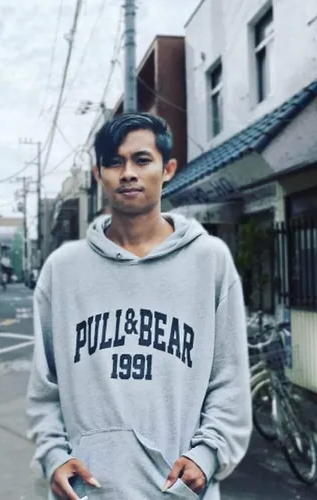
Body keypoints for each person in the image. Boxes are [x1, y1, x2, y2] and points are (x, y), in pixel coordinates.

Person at [26, 113, 252, 500]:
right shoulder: (62, 271)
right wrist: (53, 456)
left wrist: (206, 456)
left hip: (177, 493)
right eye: (115, 162)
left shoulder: (209, 262)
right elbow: (45, 388)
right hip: (86, 492)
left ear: (168, 169)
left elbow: (229, 382)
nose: (128, 173)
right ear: (99, 174)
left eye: (142, 160)